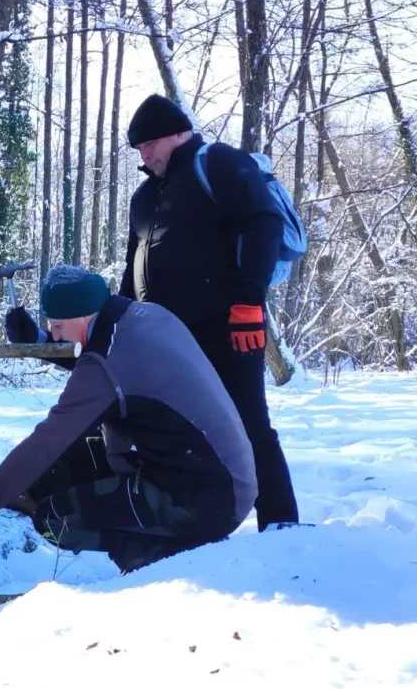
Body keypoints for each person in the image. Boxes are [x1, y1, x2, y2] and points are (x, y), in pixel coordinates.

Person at [0, 265, 258, 573]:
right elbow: (109, 363)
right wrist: (38, 339)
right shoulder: (141, 317)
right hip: (222, 476)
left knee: (55, 519)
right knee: (63, 466)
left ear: (84, 316)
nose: (55, 332)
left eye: (57, 325)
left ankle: (161, 565)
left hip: (204, 497)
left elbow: (46, 440)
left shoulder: (105, 362)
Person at [117, 94, 299, 530]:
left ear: (178, 134)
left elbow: (264, 222)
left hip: (228, 326)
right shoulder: (144, 197)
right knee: (181, 429)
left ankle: (281, 525)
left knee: (247, 421)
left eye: (149, 144)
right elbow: (132, 267)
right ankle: (196, 525)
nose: (143, 155)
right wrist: (120, 321)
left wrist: (248, 304)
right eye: (138, 148)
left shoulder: (217, 162)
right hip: (167, 339)